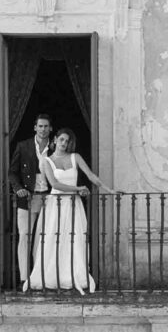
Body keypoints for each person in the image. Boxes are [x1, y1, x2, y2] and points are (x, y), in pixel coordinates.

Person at [31, 128, 101, 294]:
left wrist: (109, 189)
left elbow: (91, 175)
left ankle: (73, 274)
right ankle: (51, 275)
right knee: (53, 240)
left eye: (67, 141)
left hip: (73, 205)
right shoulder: (46, 161)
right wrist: (78, 189)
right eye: (61, 139)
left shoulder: (75, 157)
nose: (64, 143)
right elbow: (54, 184)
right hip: (55, 205)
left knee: (75, 239)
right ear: (55, 140)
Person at [9, 115, 53, 287]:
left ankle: (41, 277)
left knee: (46, 238)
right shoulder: (23, 146)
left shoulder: (56, 146)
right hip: (28, 197)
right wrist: (18, 188)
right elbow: (12, 172)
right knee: (25, 236)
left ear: (50, 129)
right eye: (40, 126)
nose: (43, 129)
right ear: (35, 128)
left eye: (46, 126)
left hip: (50, 198)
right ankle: (24, 278)